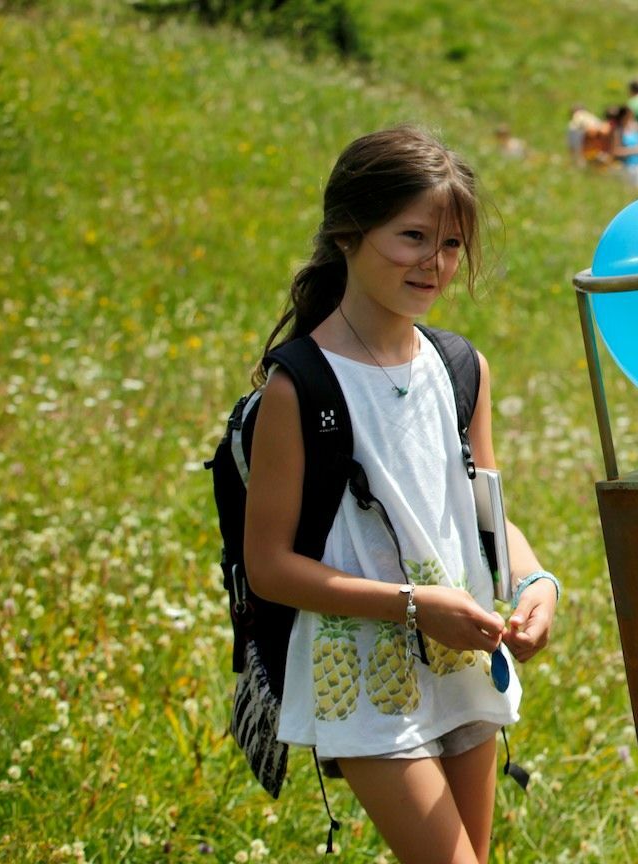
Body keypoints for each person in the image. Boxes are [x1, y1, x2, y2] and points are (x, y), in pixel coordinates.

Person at [243, 126, 560, 864]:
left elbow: (484, 514)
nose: (436, 263)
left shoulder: (460, 367)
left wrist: (538, 579)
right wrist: (416, 607)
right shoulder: (303, 386)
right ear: (348, 235)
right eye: (412, 235)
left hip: (462, 665)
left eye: (451, 245)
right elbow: (270, 567)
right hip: (363, 679)